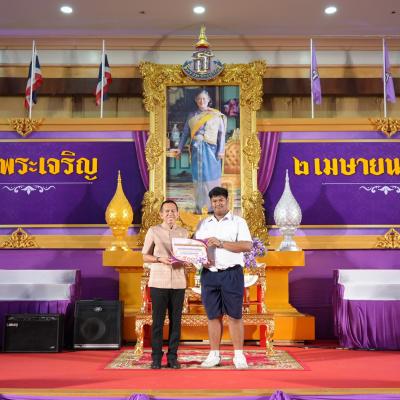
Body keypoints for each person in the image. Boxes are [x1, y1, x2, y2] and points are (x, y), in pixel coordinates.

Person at [194, 186, 252, 369]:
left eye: (221, 200)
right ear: (211, 203)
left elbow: (247, 246)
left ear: (227, 201)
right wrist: (201, 262)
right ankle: (214, 355)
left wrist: (220, 243)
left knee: (235, 315)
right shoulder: (203, 224)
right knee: (213, 316)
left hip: (232, 274)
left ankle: (239, 355)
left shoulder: (239, 222)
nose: (218, 203)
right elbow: (197, 248)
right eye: (214, 201)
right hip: (209, 274)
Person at [141, 200, 189, 369]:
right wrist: (159, 259)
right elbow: (145, 256)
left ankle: (172, 357)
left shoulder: (184, 233)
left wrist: (189, 261)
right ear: (161, 214)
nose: (170, 214)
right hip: (158, 282)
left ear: (178, 214)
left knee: (176, 321)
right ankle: (156, 357)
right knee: (158, 322)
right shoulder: (153, 231)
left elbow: (187, 255)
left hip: (179, 282)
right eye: (167, 211)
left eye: (173, 211)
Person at [175, 90, 226, 214]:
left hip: (211, 151)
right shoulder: (192, 115)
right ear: (196, 101)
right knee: (198, 179)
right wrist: (180, 148)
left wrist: (221, 151)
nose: (202, 101)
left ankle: (213, 207)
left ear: (208, 100)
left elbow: (221, 134)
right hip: (196, 151)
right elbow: (185, 133)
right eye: (199, 99)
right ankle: (199, 207)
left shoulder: (215, 115)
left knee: (211, 177)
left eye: (204, 99)